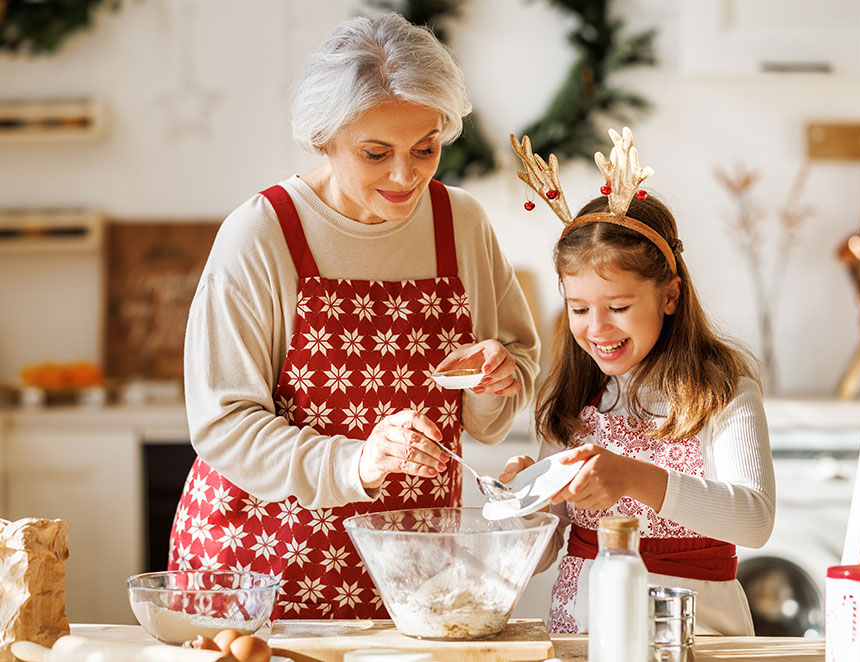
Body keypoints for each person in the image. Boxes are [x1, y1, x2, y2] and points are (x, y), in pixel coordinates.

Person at [168, 13, 540, 619]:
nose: (405, 175)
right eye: (376, 153)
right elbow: (223, 422)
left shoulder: (460, 223)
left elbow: (502, 389)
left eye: (425, 149)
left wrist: (496, 379)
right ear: (324, 137)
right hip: (264, 564)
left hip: (414, 564)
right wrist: (354, 462)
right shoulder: (262, 234)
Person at [502, 128, 774, 635]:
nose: (597, 328)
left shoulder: (722, 390)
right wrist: (526, 506)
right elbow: (539, 557)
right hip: (583, 633)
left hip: (698, 636)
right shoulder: (572, 398)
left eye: (619, 307)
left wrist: (632, 478)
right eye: (579, 308)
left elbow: (755, 520)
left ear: (669, 296)